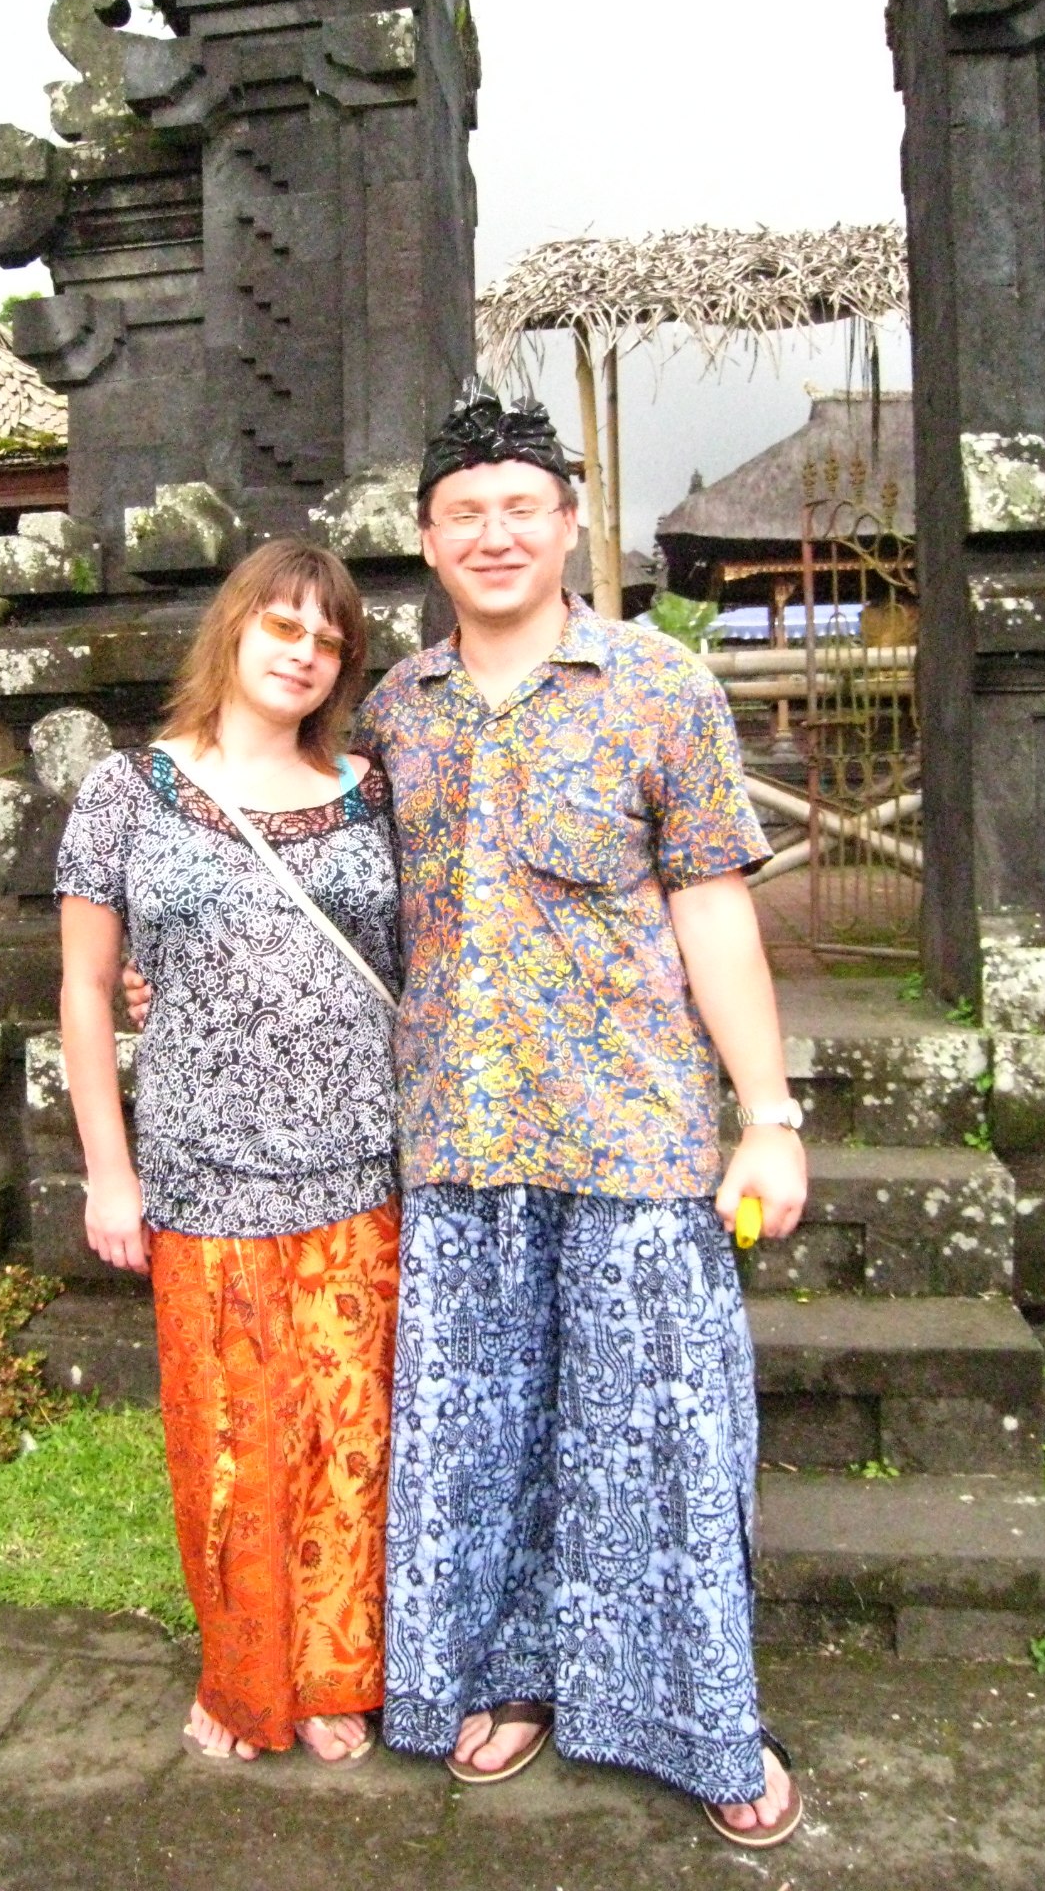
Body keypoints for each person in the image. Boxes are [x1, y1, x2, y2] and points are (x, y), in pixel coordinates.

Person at [353, 382, 808, 1847]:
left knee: (659, 1441)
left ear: (568, 525)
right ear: (429, 540)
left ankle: (703, 1722)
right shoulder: (394, 712)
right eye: (464, 513)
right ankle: (508, 1676)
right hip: (459, 1135)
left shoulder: (661, 689)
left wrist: (770, 1114)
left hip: (632, 1132)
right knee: (478, 1434)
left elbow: (714, 907)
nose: (494, 534)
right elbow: (355, 901)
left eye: (520, 508)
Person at [55, 538, 402, 1768]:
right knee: (231, 1437)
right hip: (202, 1164)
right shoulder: (129, 791)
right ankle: (245, 1669)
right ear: (235, 628)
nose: (303, 653)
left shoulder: (372, 790)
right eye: (284, 626)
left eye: (329, 641)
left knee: (349, 1431)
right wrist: (110, 1169)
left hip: (362, 1160)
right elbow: (86, 987)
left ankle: (333, 1673)